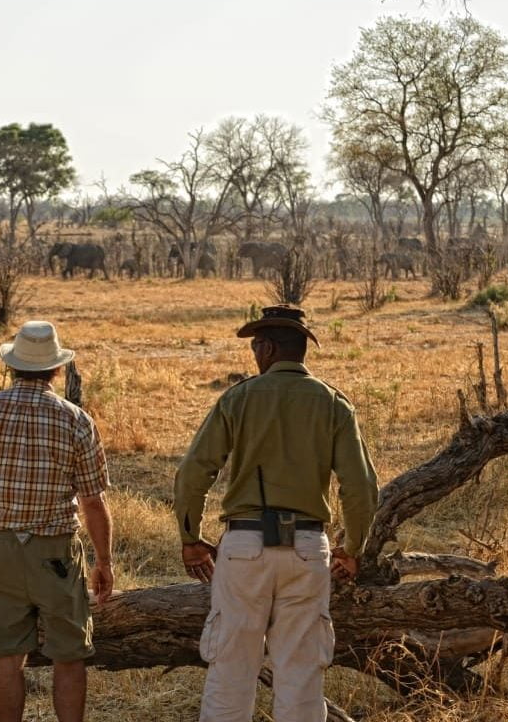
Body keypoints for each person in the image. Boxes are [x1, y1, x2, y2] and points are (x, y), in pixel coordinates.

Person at [172, 305, 379, 722]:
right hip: (307, 546)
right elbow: (360, 486)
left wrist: (191, 538)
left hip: (244, 545)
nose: (253, 354)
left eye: (254, 346)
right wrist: (353, 548)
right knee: (301, 674)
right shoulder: (333, 403)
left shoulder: (240, 397)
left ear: (266, 348)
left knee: (231, 669)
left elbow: (194, 472)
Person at [0, 320, 114, 722]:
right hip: (55, 552)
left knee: (7, 658)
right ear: (57, 370)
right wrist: (103, 560)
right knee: (69, 657)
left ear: (12, 366)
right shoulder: (75, 420)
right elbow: (93, 501)